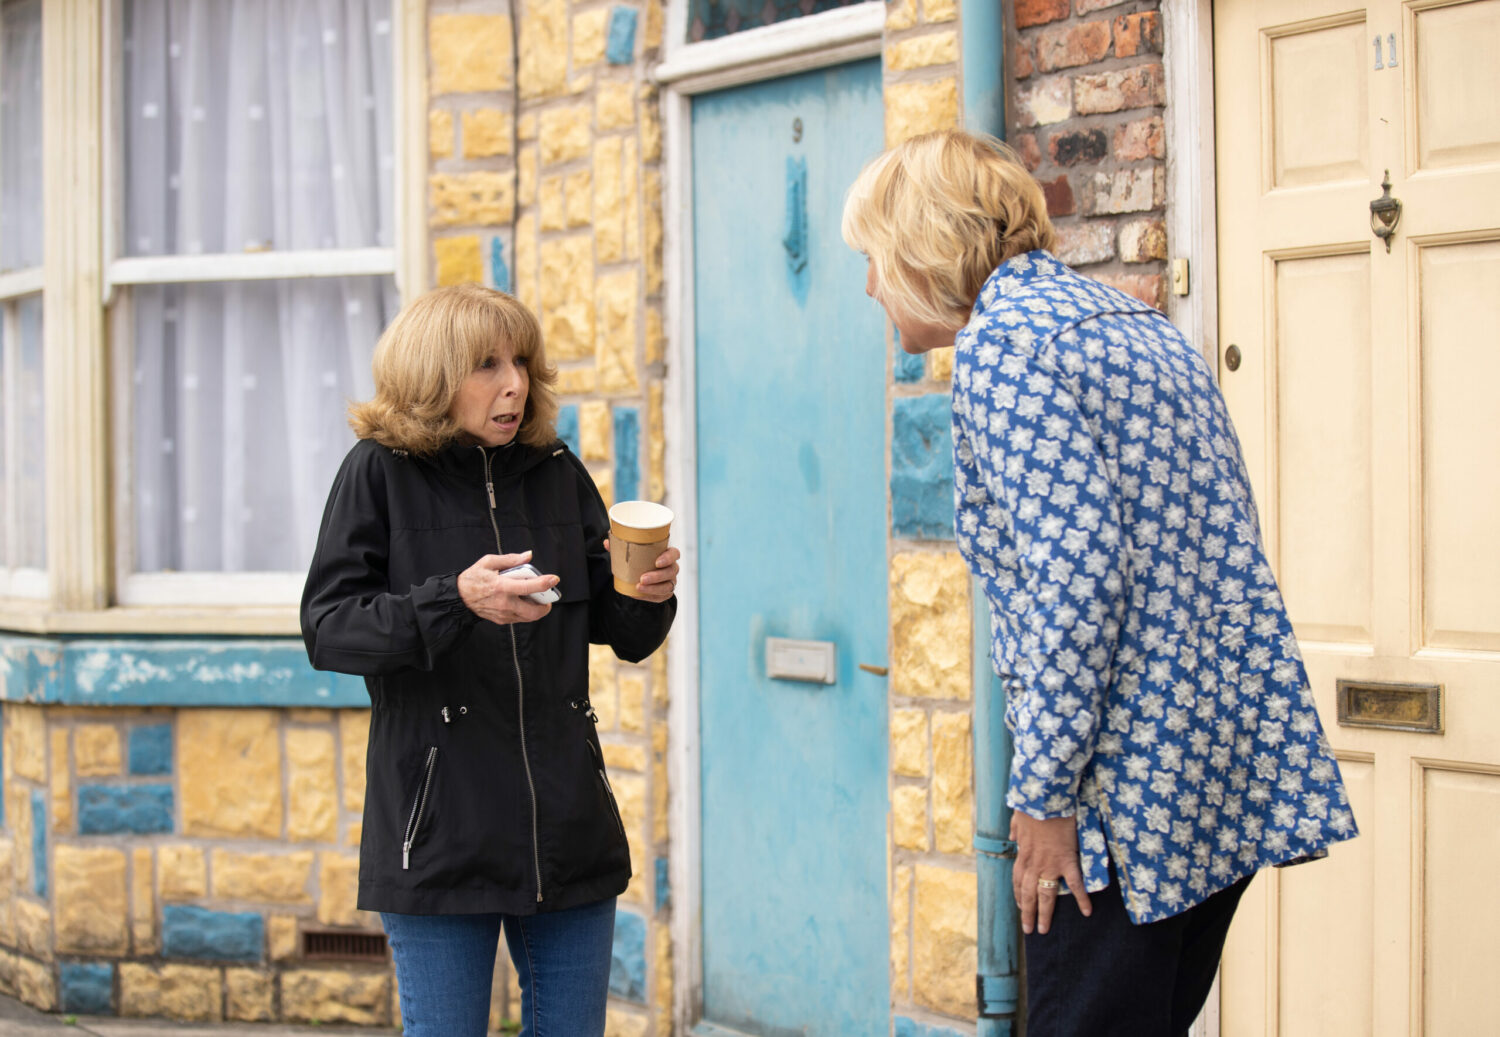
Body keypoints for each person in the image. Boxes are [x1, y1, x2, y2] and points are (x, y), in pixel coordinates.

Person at [842, 130, 1357, 1035]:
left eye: (875, 260)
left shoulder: (1007, 348)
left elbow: (1079, 581)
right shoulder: (1130, 323)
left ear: (922, 244)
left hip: (1120, 804)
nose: (872, 286)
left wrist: (1043, 797)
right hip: (1217, 775)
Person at [300, 283, 679, 1037]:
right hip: (439, 832)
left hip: (566, 828)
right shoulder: (377, 473)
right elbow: (329, 627)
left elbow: (623, 631)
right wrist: (453, 600)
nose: (514, 383)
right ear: (435, 375)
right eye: (485, 365)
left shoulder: (556, 471)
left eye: (521, 362)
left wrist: (648, 592)